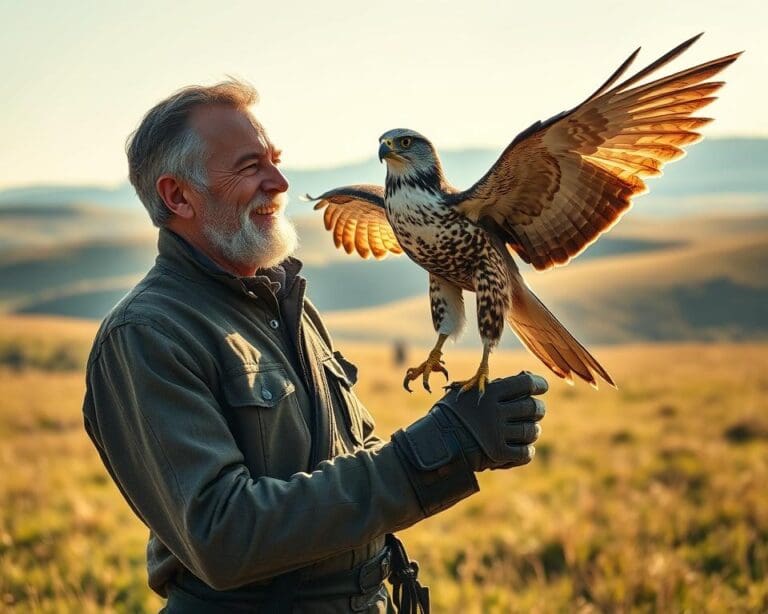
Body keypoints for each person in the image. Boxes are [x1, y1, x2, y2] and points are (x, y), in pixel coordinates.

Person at [82, 79, 548, 614]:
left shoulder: (285, 304)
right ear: (178, 196)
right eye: (249, 167)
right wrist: (435, 450)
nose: (279, 183)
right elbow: (223, 537)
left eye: (275, 161)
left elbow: (348, 466)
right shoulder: (148, 334)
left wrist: (459, 440)